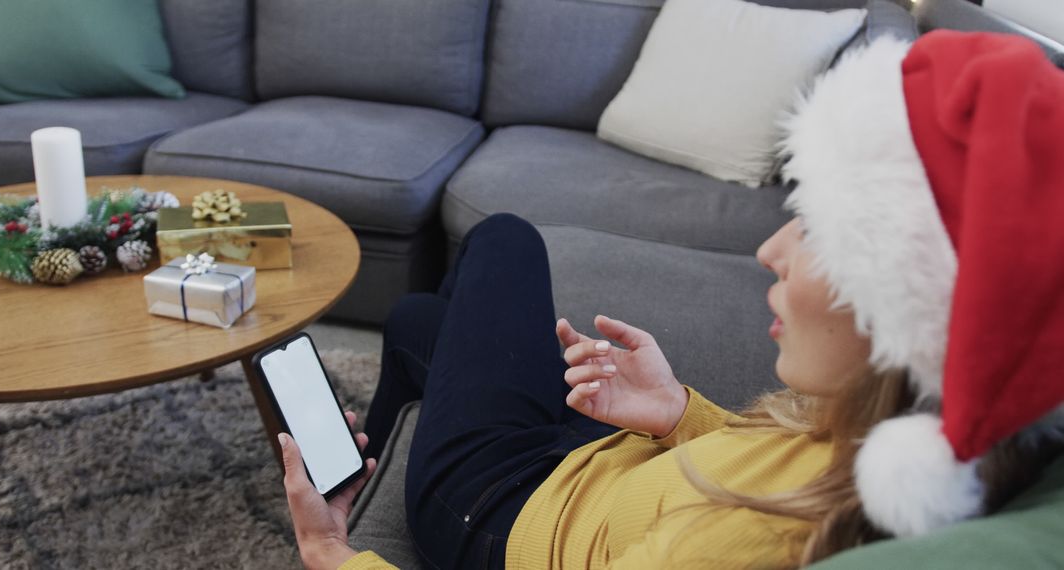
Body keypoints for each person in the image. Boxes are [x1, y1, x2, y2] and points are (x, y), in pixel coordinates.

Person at [276, 30, 1064, 569]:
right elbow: (770, 462)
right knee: (419, 324)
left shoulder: (741, 547)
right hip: (589, 469)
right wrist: (677, 412)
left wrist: (333, 557)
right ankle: (369, 471)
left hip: (498, 511)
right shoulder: (892, 427)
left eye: (820, 233)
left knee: (506, 238)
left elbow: (745, 509)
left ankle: (382, 504)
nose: (771, 251)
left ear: (906, 311)